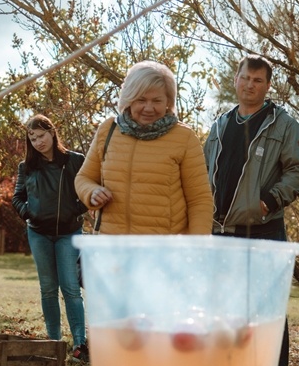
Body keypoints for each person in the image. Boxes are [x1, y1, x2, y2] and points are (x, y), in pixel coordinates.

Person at [203, 54, 299, 366]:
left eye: (258, 80)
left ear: (267, 85)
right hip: (220, 232)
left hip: (262, 230)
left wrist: (267, 201)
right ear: (235, 79)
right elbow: (203, 172)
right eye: (245, 77)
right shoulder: (220, 125)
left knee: (268, 310)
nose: (250, 85)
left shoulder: (283, 124)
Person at [76, 60, 213, 237]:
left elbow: (199, 200)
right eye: (141, 99)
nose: (149, 108)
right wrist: (91, 192)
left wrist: (197, 247)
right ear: (129, 98)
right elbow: (83, 178)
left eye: (156, 100)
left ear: (168, 101)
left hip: (163, 252)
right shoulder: (108, 130)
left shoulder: (184, 137)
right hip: (112, 248)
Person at [13, 114, 90, 363]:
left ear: (53, 132)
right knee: (48, 290)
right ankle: (53, 343)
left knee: (70, 288)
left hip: (69, 233)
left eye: (41, 135)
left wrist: (74, 210)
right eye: (32, 138)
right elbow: (17, 198)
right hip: (38, 233)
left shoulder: (75, 161)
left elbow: (90, 189)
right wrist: (29, 213)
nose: (37, 142)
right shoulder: (27, 167)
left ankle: (80, 345)